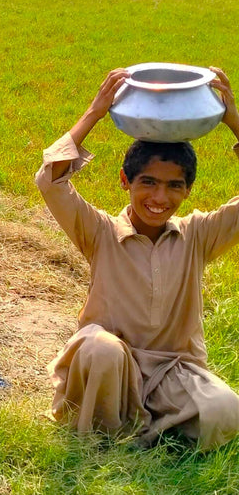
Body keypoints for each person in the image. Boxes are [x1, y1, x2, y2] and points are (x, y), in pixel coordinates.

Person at [36, 67, 239, 449]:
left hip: (173, 372)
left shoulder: (198, 235)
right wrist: (95, 113)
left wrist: (231, 118)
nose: (159, 199)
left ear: (188, 190)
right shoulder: (99, 231)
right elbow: (51, 181)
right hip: (109, 367)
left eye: (173, 186)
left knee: (228, 411)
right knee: (101, 348)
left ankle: (138, 424)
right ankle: (115, 431)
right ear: (125, 181)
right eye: (148, 182)